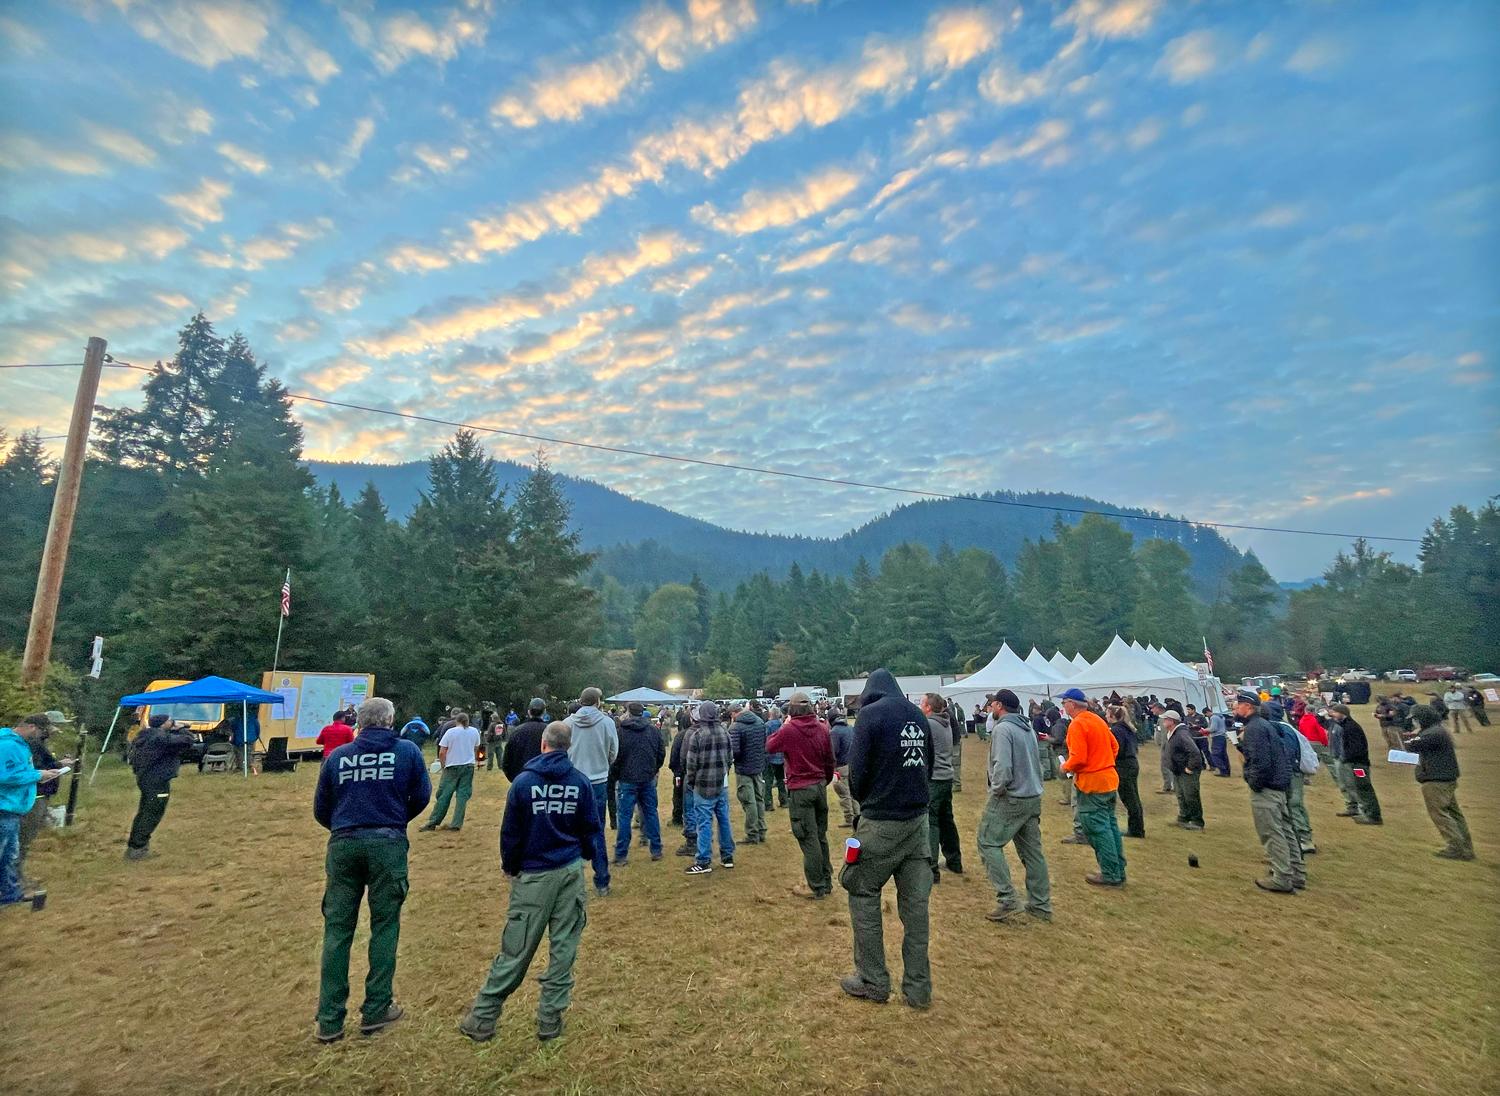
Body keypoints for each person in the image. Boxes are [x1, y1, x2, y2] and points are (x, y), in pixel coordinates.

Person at [459, 721, 600, 1044]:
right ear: (569, 746)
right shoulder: (579, 782)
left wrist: (510, 866)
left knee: (517, 949)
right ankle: (550, 1019)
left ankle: (483, 1017)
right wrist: (586, 856)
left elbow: (511, 832)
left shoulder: (523, 783)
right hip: (568, 870)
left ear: (543, 745)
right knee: (564, 946)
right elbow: (590, 827)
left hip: (534, 875)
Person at [312, 696, 431, 1043]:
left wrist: (345, 826)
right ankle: (377, 1008)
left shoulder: (338, 757)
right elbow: (422, 795)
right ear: (391, 720)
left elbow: (322, 807)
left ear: (358, 723)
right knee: (384, 925)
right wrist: (394, 821)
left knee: (337, 930)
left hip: (344, 843)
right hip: (387, 844)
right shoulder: (407, 752)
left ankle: (330, 1019)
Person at [841, 669, 934, 1008]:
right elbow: (930, 764)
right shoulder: (917, 714)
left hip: (882, 819)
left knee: (861, 888)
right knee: (916, 908)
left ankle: (873, 980)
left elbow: (858, 770)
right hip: (918, 822)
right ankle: (919, 990)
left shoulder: (870, 715)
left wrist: (866, 803)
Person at [977, 690, 1051, 925]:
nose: (990, 709)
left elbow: (1003, 767)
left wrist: (996, 790)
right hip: (1032, 795)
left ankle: (1008, 900)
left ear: (999, 705)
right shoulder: (1026, 726)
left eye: (992, 705)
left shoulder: (1003, 729)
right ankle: (1041, 904)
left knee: (988, 842)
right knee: (1032, 852)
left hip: (1011, 797)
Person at [1232, 689, 1304, 894]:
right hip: (1279, 785)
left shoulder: (1255, 728)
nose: (1236, 708)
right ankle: (1296, 872)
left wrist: (1253, 781)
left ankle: (1282, 876)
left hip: (1267, 788)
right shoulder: (1266, 726)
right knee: (1285, 830)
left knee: (1272, 832)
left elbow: (1260, 761)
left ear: (1248, 707)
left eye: (1239, 704)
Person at [765, 692, 835, 897]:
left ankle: (817, 886)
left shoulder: (789, 730)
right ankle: (826, 881)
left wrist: (784, 724)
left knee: (808, 837)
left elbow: (769, 745)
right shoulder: (823, 729)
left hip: (800, 789)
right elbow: (830, 760)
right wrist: (825, 780)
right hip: (819, 785)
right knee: (820, 836)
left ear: (791, 710)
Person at [1058, 689, 1126, 887]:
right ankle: (1118, 869)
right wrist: (1103, 762)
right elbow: (1115, 747)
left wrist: (1065, 767)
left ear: (1072, 704)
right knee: (1110, 826)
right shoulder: (1098, 720)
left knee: (1097, 829)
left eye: (1064, 703)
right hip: (1108, 779)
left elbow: (1078, 758)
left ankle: (1111, 874)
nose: (1063, 707)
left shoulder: (1077, 724)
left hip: (1092, 784)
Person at [1, 715, 64, 905]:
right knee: (5, 853)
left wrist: (39, 777)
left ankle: (11, 894)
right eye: (41, 731)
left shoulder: (18, 744)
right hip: (4, 807)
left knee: (9, 855)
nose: (43, 735)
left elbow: (20, 773)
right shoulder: (8, 746)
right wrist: (38, 774)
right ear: (31, 727)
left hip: (13, 807)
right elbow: (6, 776)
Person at [1403, 705, 1474, 861]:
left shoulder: (1431, 733)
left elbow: (1411, 746)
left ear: (1422, 719)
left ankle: (1456, 847)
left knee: (1439, 814)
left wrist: (1413, 735)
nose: (1414, 723)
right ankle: (1465, 848)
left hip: (1436, 780)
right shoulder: (1438, 730)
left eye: (1415, 719)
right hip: (1445, 778)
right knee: (1454, 814)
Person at [565, 688, 618, 897]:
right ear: (598, 702)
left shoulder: (567, 724)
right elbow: (614, 751)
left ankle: (571, 881)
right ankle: (602, 881)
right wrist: (603, 763)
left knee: (569, 831)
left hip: (573, 781)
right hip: (598, 782)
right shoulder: (607, 723)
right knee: (597, 831)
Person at [125, 715, 197, 861]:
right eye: (169, 721)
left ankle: (135, 846)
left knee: (144, 812)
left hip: (147, 779)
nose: (172, 722)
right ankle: (138, 849)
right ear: (163, 724)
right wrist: (183, 729)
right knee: (152, 813)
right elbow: (187, 741)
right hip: (157, 781)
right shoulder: (159, 737)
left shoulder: (147, 735)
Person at [18, 713, 72, 886]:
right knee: (22, 840)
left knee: (23, 840)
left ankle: (15, 878)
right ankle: (14, 880)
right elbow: (35, 768)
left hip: (38, 794)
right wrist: (55, 767)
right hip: (35, 795)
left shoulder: (37, 743)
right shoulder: (33, 744)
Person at [683, 701, 735, 876]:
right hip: (722, 784)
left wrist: (691, 782)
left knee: (704, 824)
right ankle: (727, 856)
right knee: (724, 820)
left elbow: (691, 764)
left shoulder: (697, 735)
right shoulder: (724, 732)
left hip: (703, 786)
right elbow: (730, 758)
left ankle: (703, 860)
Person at [611, 702, 664, 865]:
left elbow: (616, 757)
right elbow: (661, 753)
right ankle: (656, 850)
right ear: (643, 713)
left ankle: (621, 855)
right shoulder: (653, 731)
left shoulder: (621, 732)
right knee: (650, 813)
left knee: (624, 817)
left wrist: (617, 774)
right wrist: (653, 768)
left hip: (627, 779)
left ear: (628, 712)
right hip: (647, 777)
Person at [921, 693, 963, 883]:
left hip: (935, 779)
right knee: (947, 821)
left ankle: (931, 869)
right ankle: (954, 860)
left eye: (922, 703)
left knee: (932, 822)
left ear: (929, 707)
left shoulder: (929, 724)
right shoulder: (945, 722)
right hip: (946, 777)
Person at [420, 711, 480, 833]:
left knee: (444, 795)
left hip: (452, 766)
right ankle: (456, 823)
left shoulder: (450, 732)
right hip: (468, 766)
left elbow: (442, 752)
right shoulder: (474, 732)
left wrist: (443, 766)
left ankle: (434, 821)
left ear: (456, 721)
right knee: (462, 796)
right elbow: (476, 748)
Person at [1328, 704, 1381, 824]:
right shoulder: (1341, 725)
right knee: (1351, 786)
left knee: (1363, 788)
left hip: (1358, 765)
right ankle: (1358, 810)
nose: (1332, 714)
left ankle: (1372, 815)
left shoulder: (1351, 727)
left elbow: (1357, 748)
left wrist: (1346, 758)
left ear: (1343, 713)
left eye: (1335, 712)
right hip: (1348, 762)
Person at [730, 702, 769, 844]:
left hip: (744, 768)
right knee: (759, 799)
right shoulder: (759, 722)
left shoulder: (736, 727)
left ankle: (752, 833)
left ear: (734, 713)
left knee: (748, 801)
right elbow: (764, 742)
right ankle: (762, 829)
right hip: (758, 766)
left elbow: (735, 751)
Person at [1107, 704, 1144, 839]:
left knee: (1130, 798)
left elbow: (1117, 749)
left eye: (1107, 714)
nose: (1105, 716)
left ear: (1112, 716)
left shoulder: (1116, 731)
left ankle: (1136, 829)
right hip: (1131, 763)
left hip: (1123, 766)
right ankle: (1137, 827)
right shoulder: (1127, 728)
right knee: (1134, 797)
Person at [1162, 710, 1205, 829]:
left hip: (1186, 770)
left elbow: (1194, 752)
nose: (1163, 721)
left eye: (1165, 719)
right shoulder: (1173, 732)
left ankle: (1197, 821)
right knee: (1181, 794)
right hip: (1178, 770)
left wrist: (1190, 767)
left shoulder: (1181, 734)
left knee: (1190, 795)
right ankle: (1184, 817)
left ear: (1172, 721)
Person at [502, 699, 549, 781]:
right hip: (544, 781)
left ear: (529, 712)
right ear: (544, 712)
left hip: (521, 779)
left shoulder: (517, 732)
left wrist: (515, 780)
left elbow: (507, 761)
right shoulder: (550, 731)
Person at [829, 709, 858, 828]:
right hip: (853, 764)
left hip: (841, 766)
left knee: (843, 793)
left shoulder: (835, 732)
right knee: (853, 793)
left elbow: (833, 751)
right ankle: (858, 816)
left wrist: (832, 767)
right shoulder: (850, 728)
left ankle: (849, 818)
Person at [763, 707, 788, 812]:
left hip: (770, 756)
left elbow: (765, 740)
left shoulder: (767, 726)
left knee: (768, 781)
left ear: (770, 714)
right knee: (781, 780)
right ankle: (784, 801)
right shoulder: (782, 725)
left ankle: (768, 804)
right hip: (781, 757)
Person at [1150, 701, 1174, 794]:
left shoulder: (1163, 719)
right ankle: (1170, 785)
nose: (1152, 710)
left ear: (1159, 709)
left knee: (1165, 766)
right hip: (1166, 745)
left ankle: (1167, 786)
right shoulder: (1163, 718)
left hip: (1166, 746)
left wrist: (1164, 746)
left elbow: (1164, 735)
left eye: (1153, 708)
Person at [1207, 707, 1231, 777]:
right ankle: (1227, 771)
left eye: (1206, 714)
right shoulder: (1221, 716)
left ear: (1208, 712)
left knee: (1215, 754)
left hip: (1217, 737)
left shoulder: (1213, 717)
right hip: (1223, 736)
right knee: (1223, 754)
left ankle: (1222, 771)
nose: (1207, 716)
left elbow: (1213, 728)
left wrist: (1205, 730)